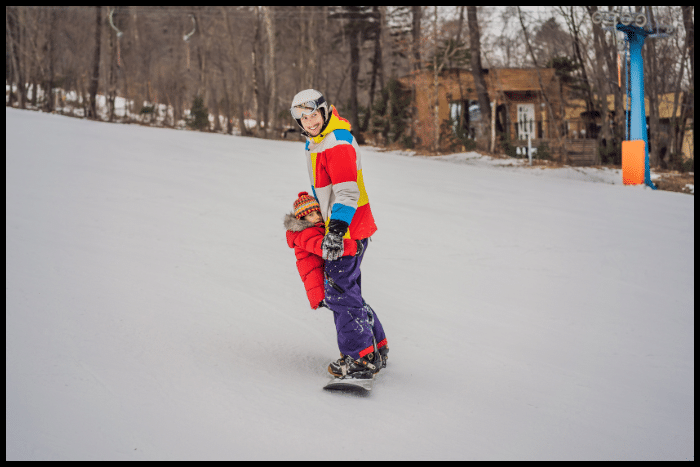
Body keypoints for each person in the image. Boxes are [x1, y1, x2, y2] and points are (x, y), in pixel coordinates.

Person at [289, 89, 388, 379]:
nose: (309, 122)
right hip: (347, 226)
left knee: (339, 293)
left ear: (325, 111)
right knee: (348, 291)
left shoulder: (336, 143)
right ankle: (375, 346)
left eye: (313, 115)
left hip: (347, 229)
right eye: (303, 118)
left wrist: (335, 231)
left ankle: (360, 359)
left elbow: (346, 191)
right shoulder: (317, 142)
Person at [284, 191, 360, 310]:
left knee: (350, 305)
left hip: (322, 280)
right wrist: (353, 247)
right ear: (302, 219)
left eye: (318, 212)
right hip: (319, 286)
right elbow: (324, 248)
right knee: (346, 308)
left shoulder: (313, 229)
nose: (317, 217)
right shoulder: (304, 234)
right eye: (311, 215)